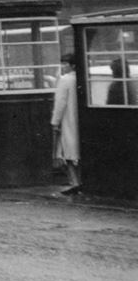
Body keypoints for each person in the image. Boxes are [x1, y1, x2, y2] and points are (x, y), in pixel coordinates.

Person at [51, 52, 81, 195]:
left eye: (65, 64)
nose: (63, 66)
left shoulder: (64, 80)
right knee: (78, 152)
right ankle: (79, 181)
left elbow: (60, 103)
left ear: (72, 65)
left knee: (68, 152)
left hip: (68, 120)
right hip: (79, 120)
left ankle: (74, 182)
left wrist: (55, 121)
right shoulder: (79, 78)